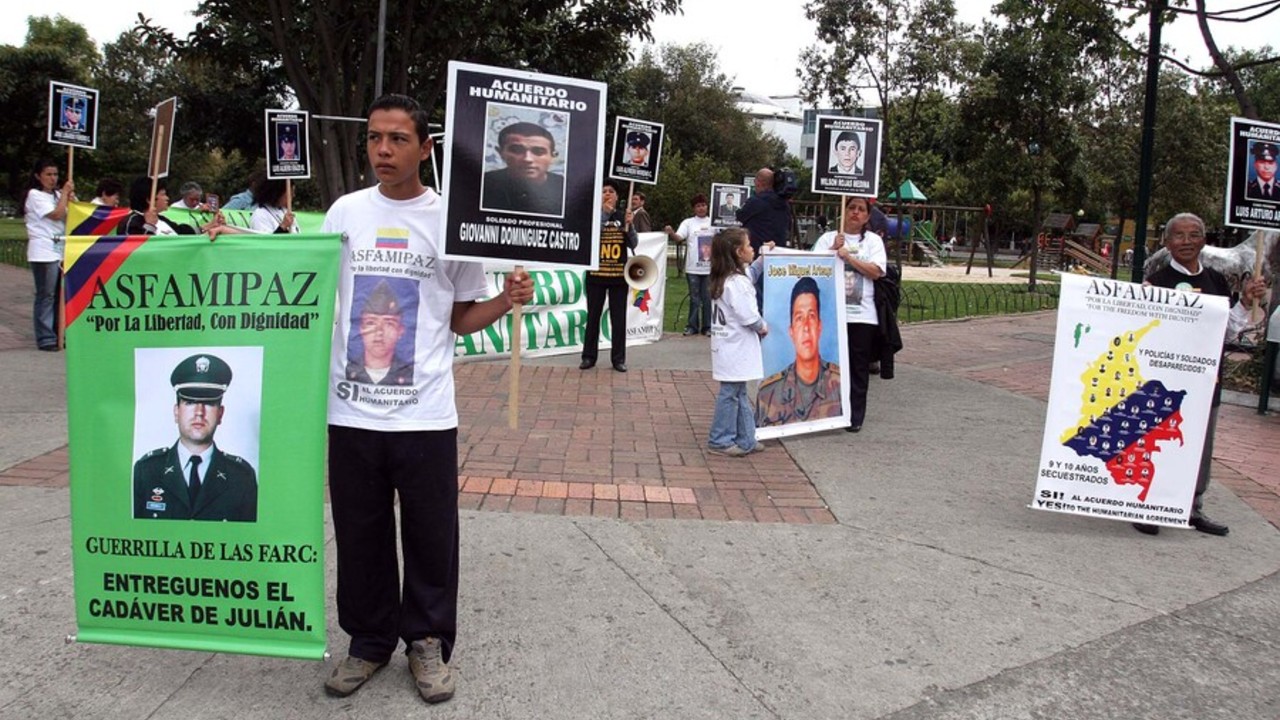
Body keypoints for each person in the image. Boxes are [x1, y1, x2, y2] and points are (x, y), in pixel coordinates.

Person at [321, 94, 533, 704]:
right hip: (351, 411)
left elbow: (462, 318)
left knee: (431, 535)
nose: (383, 150)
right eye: (374, 138)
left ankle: (427, 641)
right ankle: (367, 642)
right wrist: (225, 241)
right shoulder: (344, 214)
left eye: (398, 139)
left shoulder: (450, 222)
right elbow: (305, 287)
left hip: (425, 414)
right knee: (359, 534)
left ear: (425, 147)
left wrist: (507, 300)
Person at [1133, 213, 1268, 537]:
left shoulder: (1216, 281)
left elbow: (1229, 329)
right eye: (1178, 235)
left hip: (1206, 381)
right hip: (1164, 382)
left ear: (1204, 240)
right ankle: (1147, 505)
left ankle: (1192, 507)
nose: (1187, 241)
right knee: (1157, 442)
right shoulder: (1155, 284)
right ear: (1167, 242)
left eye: (1194, 234)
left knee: (1201, 447)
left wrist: (1246, 301)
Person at [133, 353, 258, 521]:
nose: (199, 412)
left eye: (209, 403)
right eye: (190, 402)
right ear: (176, 412)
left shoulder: (241, 477)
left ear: (220, 414)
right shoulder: (146, 472)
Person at [811, 196, 888, 432]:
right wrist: (832, 250)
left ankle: (855, 416)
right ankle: (828, 411)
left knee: (857, 367)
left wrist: (849, 258)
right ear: (843, 211)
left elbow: (876, 271)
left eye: (861, 209)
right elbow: (812, 268)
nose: (855, 212)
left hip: (861, 316)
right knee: (829, 365)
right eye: (851, 207)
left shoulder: (873, 241)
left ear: (867, 216)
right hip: (832, 313)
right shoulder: (828, 238)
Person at [707, 227, 769, 457]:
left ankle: (746, 437)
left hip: (728, 346)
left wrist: (763, 257)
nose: (752, 249)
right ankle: (720, 439)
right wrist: (762, 326)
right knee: (731, 393)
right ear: (738, 252)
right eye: (749, 245)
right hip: (735, 346)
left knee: (739, 391)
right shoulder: (737, 283)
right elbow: (748, 316)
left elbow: (752, 272)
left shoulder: (727, 278)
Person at [755, 276, 844, 427]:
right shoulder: (769, 393)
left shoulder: (840, 385)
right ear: (791, 331)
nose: (806, 327)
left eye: (811, 316)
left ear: (819, 326)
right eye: (799, 318)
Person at [580, 179, 637, 373]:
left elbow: (633, 243)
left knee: (618, 320)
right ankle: (588, 357)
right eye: (604, 191)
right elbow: (591, 237)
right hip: (596, 276)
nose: (607, 194)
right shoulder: (592, 216)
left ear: (617, 196)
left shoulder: (623, 216)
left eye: (611, 191)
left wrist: (630, 225)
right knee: (593, 317)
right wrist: (604, 215)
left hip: (619, 277)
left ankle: (618, 359)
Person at [23, 159, 73, 352]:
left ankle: (59, 331)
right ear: (38, 176)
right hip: (43, 251)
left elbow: (73, 214)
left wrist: (69, 196)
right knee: (47, 294)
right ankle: (45, 337)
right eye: (48, 174)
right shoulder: (35, 195)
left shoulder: (59, 194)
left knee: (60, 295)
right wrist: (65, 195)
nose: (53, 179)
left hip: (61, 249)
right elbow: (57, 214)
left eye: (55, 174)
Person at [480, 121, 565, 215]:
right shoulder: (481, 184)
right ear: (500, 153)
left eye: (538, 151)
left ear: (553, 156)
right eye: (517, 150)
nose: (527, 159)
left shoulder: (566, 188)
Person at [344, 278, 414, 385]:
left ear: (400, 330)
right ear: (360, 328)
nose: (379, 332)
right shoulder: (345, 370)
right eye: (371, 322)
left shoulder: (411, 375)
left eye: (389, 323)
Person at [664, 193, 713, 336]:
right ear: (693, 208)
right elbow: (679, 238)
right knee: (694, 298)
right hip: (693, 268)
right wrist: (671, 233)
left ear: (707, 206)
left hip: (709, 268)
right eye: (698, 206)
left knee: (707, 298)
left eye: (703, 205)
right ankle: (692, 326)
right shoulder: (688, 223)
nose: (701, 208)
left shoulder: (713, 222)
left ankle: (708, 326)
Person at [123, 177, 222, 236]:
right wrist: (150, 226)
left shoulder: (161, 219)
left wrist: (211, 225)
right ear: (150, 199)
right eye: (163, 194)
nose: (167, 198)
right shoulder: (131, 222)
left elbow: (182, 232)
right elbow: (137, 250)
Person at [737, 168, 791, 252]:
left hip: (758, 251)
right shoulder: (784, 204)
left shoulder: (756, 201)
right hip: (777, 251)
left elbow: (740, 216)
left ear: (758, 182)